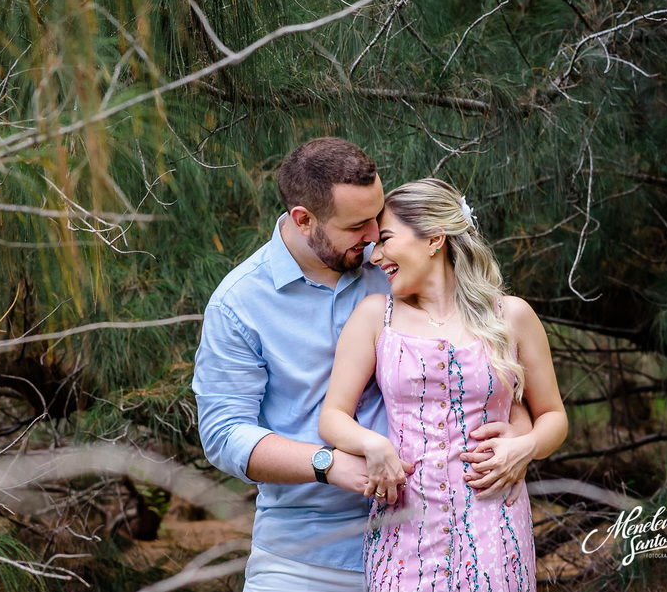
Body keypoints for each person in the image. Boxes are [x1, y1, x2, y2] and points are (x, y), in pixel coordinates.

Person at [192, 139, 530, 592]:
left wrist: (520, 436)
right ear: (303, 220)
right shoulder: (239, 304)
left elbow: (484, 366)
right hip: (303, 555)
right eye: (357, 225)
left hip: (427, 545)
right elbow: (224, 434)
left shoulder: (396, 266)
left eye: (378, 217)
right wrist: (327, 464)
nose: (374, 236)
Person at [319, 178, 568, 591]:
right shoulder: (375, 316)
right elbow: (332, 417)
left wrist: (525, 446)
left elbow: (554, 416)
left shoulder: (512, 316)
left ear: (435, 238)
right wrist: (371, 443)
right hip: (403, 530)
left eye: (385, 240)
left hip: (495, 525)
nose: (374, 256)